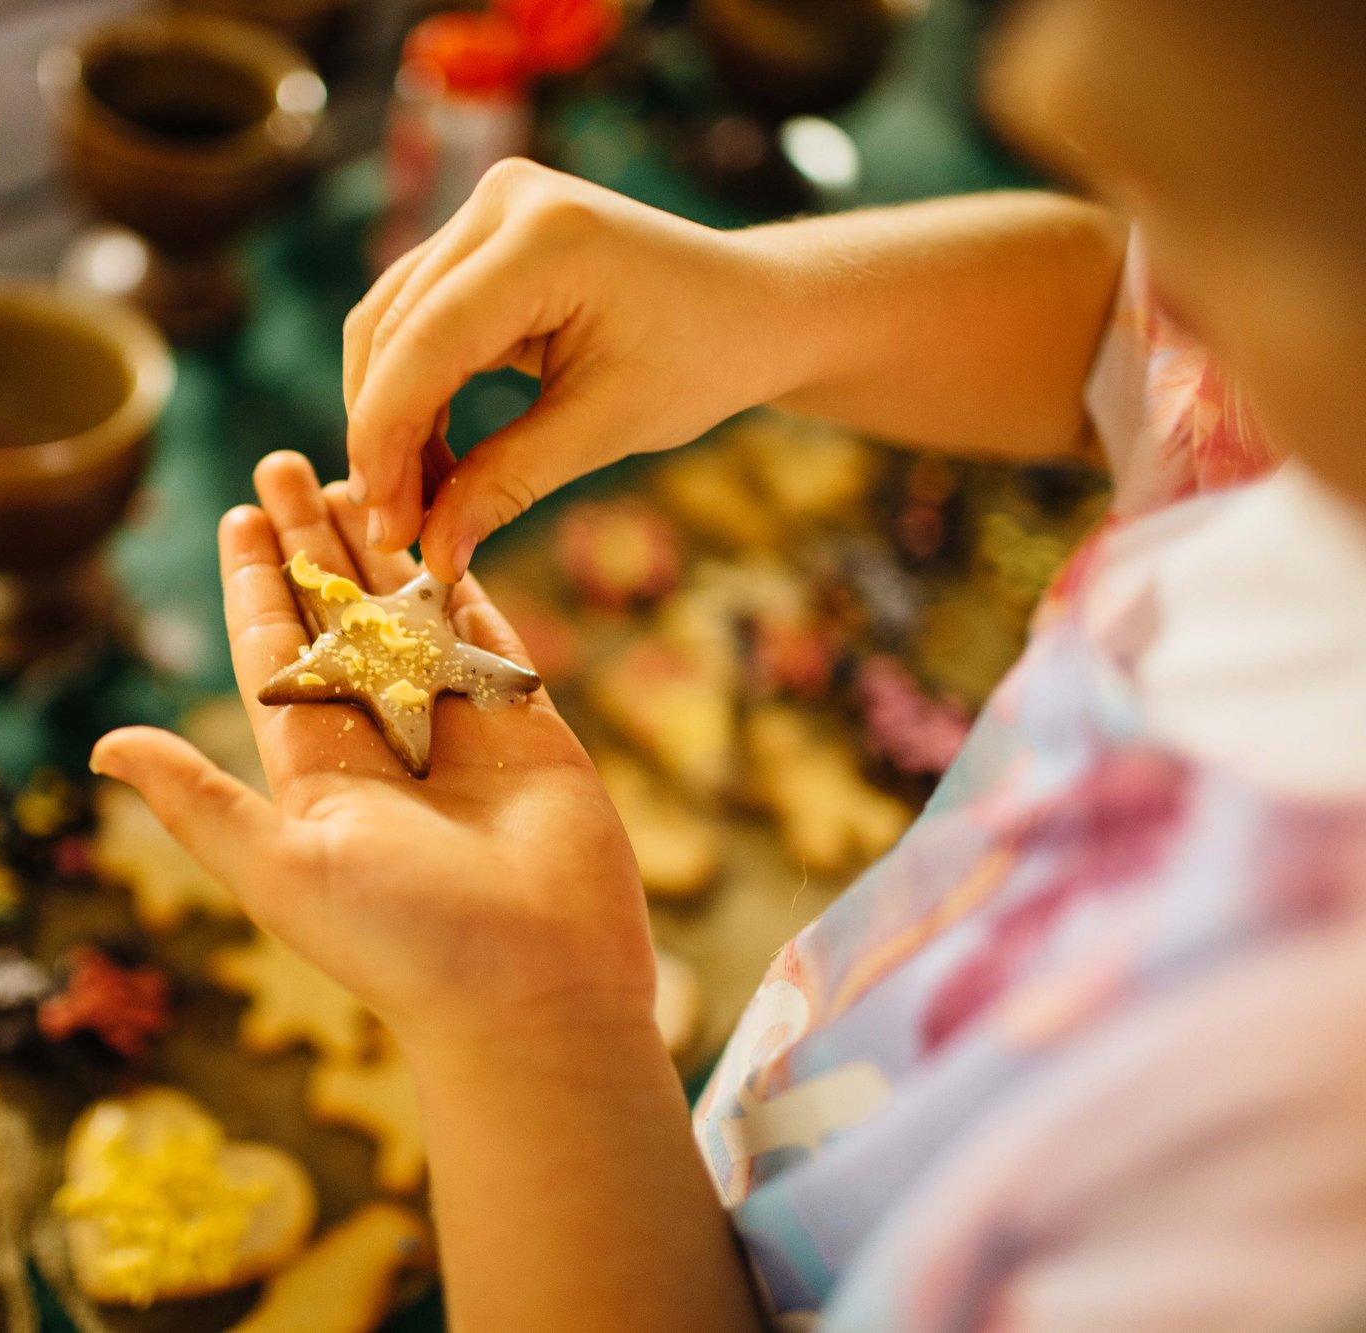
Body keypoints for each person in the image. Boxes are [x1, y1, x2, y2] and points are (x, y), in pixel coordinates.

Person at [90, 0, 1366, 1327]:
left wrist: (529, 1034)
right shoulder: (1317, 402)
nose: (1053, 99)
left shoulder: (1287, 1212)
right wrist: (763, 305)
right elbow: (1144, 327)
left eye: (1250, 187)